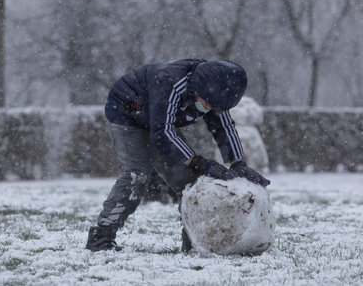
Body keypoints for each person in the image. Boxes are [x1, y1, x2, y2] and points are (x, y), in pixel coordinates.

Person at [85, 59, 271, 252]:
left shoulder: (216, 92)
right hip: (128, 113)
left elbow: (224, 126)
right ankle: (101, 236)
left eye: (217, 108)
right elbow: (162, 132)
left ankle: (193, 240)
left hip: (162, 122)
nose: (212, 110)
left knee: (188, 180)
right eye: (209, 105)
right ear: (198, 90)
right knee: (138, 174)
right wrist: (198, 162)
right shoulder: (169, 82)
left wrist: (238, 163)